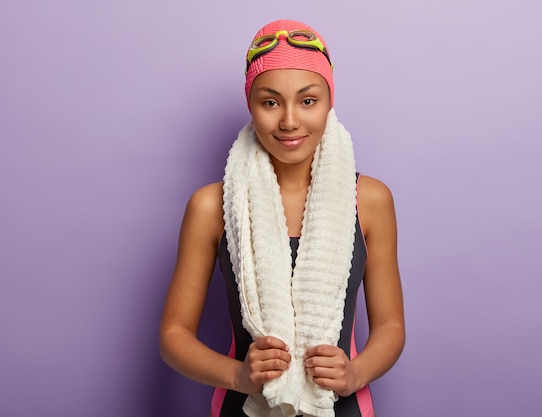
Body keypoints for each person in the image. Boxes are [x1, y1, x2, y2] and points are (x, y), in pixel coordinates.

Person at [160, 19, 405, 417]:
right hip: (245, 406)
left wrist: (355, 373)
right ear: (250, 103)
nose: (289, 120)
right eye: (270, 102)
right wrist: (239, 376)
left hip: (340, 406)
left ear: (330, 100)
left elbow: (391, 326)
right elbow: (173, 336)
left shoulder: (370, 200)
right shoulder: (211, 206)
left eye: (308, 100)